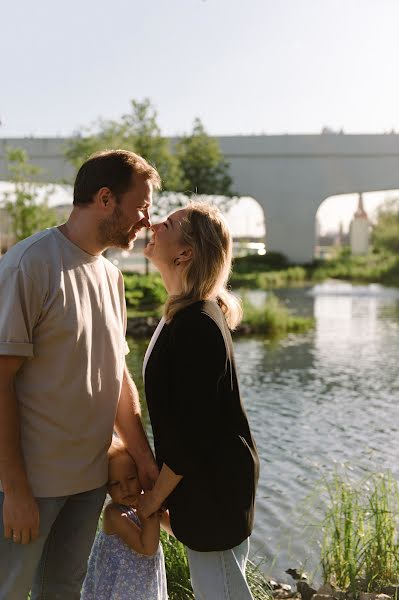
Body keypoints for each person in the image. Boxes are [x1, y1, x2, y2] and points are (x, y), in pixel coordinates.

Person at [0, 149, 160, 599]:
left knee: (65, 590)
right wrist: (14, 491)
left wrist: (143, 458)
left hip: (90, 481)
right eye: (141, 205)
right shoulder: (29, 263)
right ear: (106, 198)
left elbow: (116, 377)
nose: (146, 219)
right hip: (31, 483)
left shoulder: (112, 278)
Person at [139, 201, 260, 599]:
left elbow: (193, 434)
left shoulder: (197, 323)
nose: (154, 224)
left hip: (214, 491)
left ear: (185, 252)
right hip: (206, 488)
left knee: (222, 592)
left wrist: (155, 500)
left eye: (169, 222)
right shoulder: (184, 313)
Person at [81, 436, 168, 600]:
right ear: (105, 487)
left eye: (131, 478)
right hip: (121, 590)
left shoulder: (143, 502)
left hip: (144, 586)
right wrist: (150, 513)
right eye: (115, 483)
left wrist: (157, 502)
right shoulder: (113, 514)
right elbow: (147, 547)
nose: (125, 488)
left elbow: (172, 526)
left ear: (140, 474)